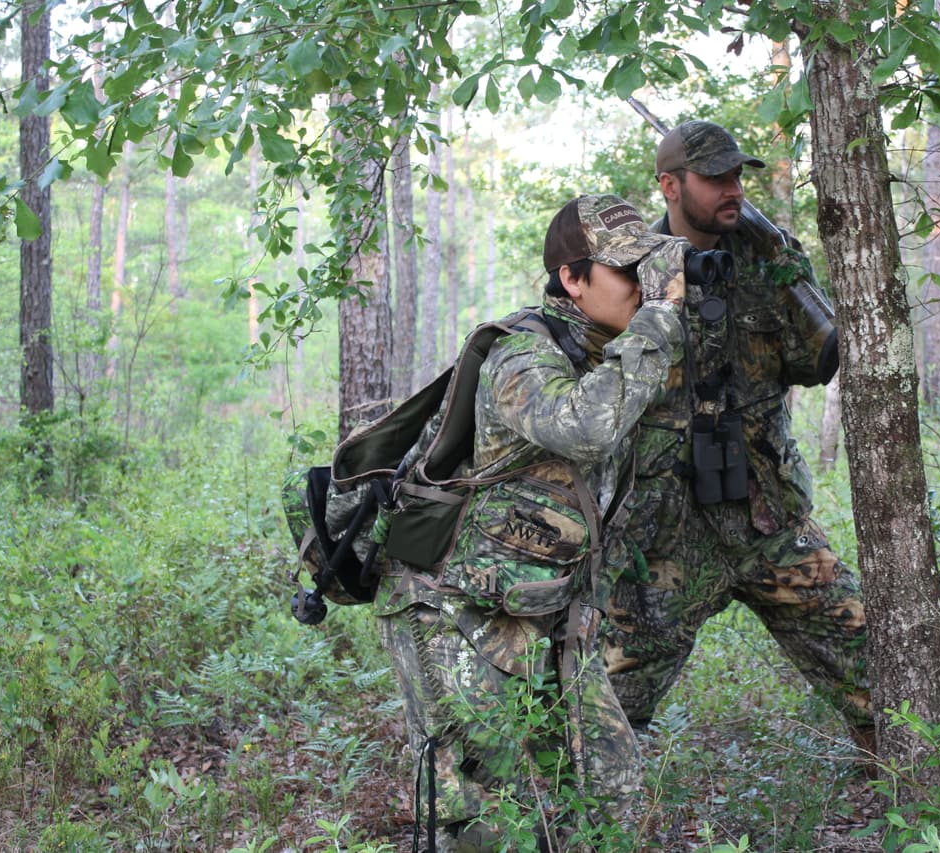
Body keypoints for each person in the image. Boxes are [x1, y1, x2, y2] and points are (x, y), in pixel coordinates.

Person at [374, 194, 688, 852]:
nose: (643, 287)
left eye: (647, 270)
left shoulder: (613, 352)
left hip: (544, 611)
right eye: (626, 271)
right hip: (450, 610)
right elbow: (583, 426)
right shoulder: (522, 355)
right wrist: (659, 322)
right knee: (484, 821)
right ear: (572, 279)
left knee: (617, 793)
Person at [602, 120, 875, 762]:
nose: (733, 188)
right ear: (670, 186)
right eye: (715, 177)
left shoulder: (769, 261)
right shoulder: (624, 270)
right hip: (663, 534)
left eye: (737, 176)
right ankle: (580, 821)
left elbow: (818, 360)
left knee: (873, 662)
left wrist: (783, 260)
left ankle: (912, 793)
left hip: (766, 518)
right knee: (606, 712)